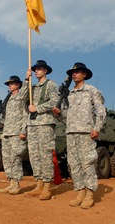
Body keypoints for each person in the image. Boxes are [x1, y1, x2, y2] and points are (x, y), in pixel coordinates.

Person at [53, 62, 106, 209]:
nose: (74, 74)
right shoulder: (69, 94)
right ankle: (80, 192)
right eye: (72, 73)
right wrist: (58, 115)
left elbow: (101, 111)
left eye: (77, 72)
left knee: (87, 163)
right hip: (71, 133)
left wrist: (97, 128)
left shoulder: (91, 90)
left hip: (86, 133)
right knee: (74, 165)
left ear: (85, 74)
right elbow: (66, 117)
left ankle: (89, 193)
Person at [24, 60, 60, 200]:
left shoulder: (51, 84)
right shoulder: (33, 87)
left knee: (45, 155)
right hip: (32, 124)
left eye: (39, 69)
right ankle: (38, 183)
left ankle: (47, 185)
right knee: (34, 155)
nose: (36, 71)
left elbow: (55, 101)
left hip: (45, 124)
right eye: (35, 69)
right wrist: (27, 79)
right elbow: (22, 96)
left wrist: (37, 108)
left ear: (45, 70)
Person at [0, 75, 28, 195]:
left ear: (18, 85)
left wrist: (23, 131)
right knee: (6, 159)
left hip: (17, 133)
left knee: (15, 158)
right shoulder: (8, 100)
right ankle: (10, 182)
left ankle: (16, 184)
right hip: (6, 132)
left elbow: (26, 116)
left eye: (12, 83)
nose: (10, 86)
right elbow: (5, 119)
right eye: (9, 84)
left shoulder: (21, 97)